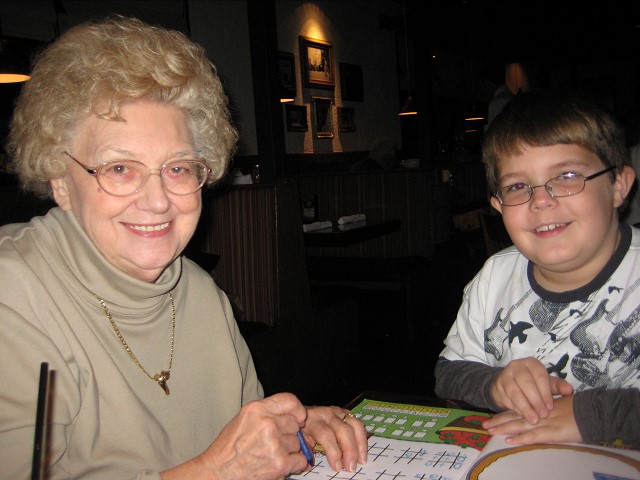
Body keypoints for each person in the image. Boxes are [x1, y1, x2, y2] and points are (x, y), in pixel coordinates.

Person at [0, 16, 367, 479]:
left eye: (177, 168)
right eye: (119, 169)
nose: (157, 201)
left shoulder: (199, 292)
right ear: (59, 179)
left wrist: (292, 431)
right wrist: (215, 472)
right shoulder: (12, 294)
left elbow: (242, 445)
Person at [434, 90, 639, 449]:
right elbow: (448, 374)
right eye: (517, 186)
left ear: (618, 186)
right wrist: (493, 384)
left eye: (568, 175)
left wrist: (591, 415)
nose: (541, 200)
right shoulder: (494, 277)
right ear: (498, 205)